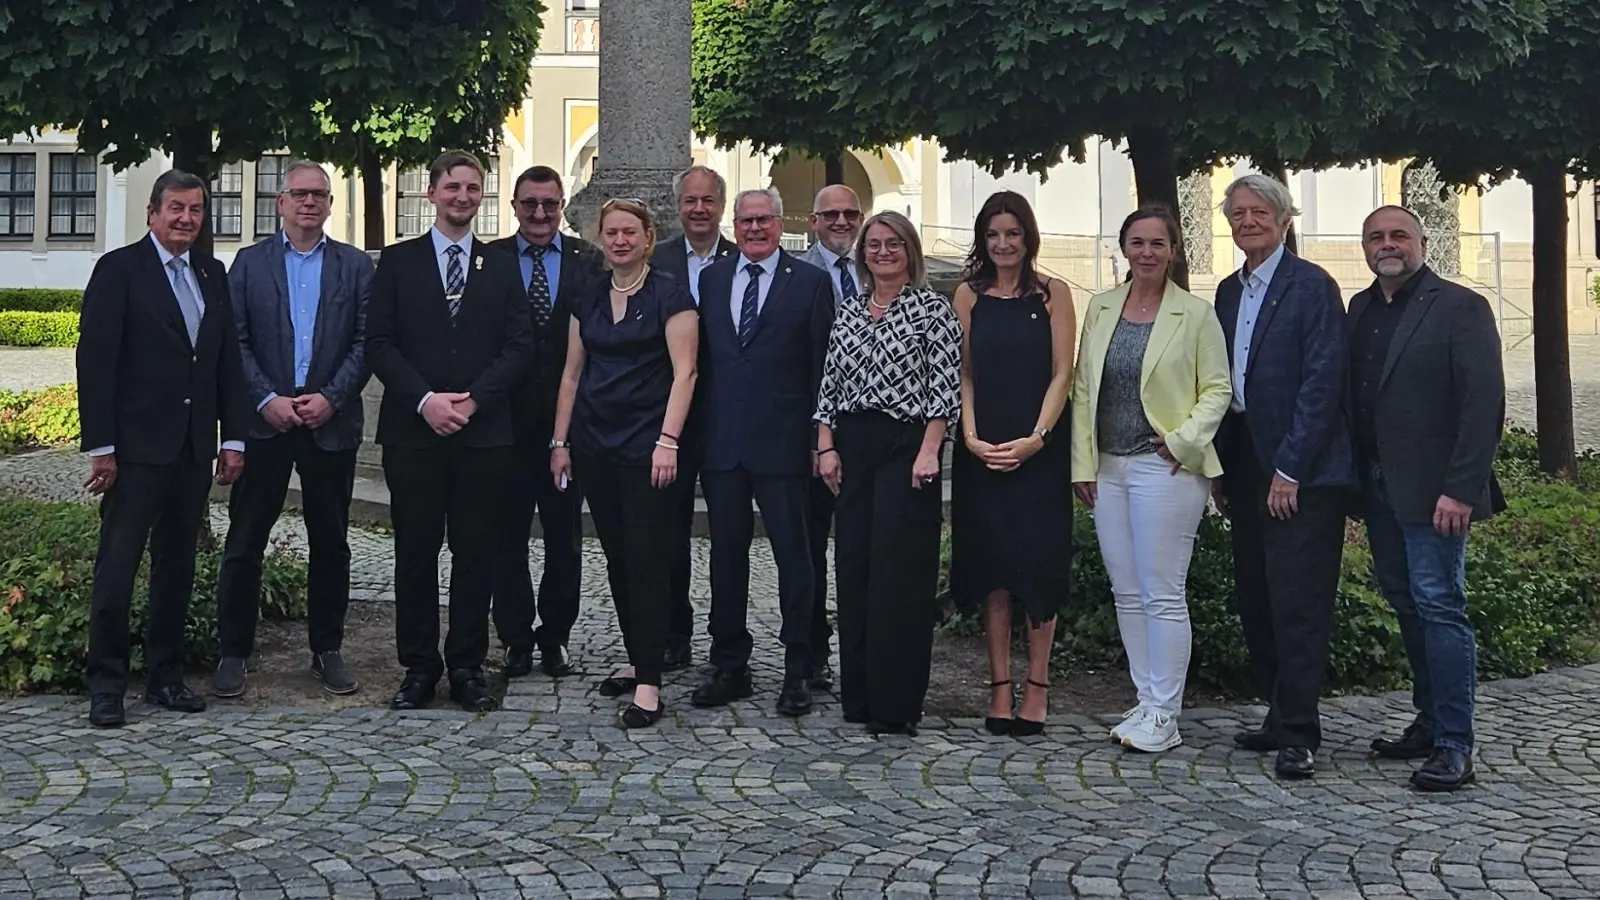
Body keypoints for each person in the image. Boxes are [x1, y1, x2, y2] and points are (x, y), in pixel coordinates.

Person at [76, 169, 249, 728]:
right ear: (152, 212)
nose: (185, 219)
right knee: (119, 567)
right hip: (135, 449)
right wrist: (102, 448)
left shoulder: (211, 272)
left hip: (194, 447)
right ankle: (106, 683)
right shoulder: (119, 270)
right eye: (175, 208)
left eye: (195, 210)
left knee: (176, 567)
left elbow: (224, 363)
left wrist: (233, 438)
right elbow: (95, 362)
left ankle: (165, 678)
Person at [366, 150, 535, 713]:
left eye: (472, 188)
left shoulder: (503, 264)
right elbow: (380, 344)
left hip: (483, 435)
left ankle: (466, 665)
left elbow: (520, 346)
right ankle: (418, 667)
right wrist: (424, 401)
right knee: (415, 552)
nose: (463, 196)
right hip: (414, 434)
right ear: (432, 193)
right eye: (452, 187)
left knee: (475, 553)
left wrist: (475, 400)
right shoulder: (397, 262)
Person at [1350, 205, 1504, 792]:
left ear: (1421, 242)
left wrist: (1461, 488)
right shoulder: (1360, 309)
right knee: (1406, 603)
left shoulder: (1461, 307)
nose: (1387, 245)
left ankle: (1455, 744)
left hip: (1437, 492)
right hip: (1379, 485)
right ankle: (1428, 717)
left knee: (1440, 606)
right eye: (1376, 237)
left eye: (1398, 235)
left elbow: (1481, 403)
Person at [1070, 205, 1232, 752]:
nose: (1146, 253)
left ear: (1173, 251)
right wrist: (1083, 464)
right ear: (1124, 248)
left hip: (1165, 467)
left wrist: (1182, 439)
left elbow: (1218, 389)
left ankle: (1165, 711)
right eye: (1137, 243)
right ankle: (1146, 699)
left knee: (1162, 593)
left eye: (1157, 244)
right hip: (1110, 469)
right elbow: (1085, 388)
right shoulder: (1102, 307)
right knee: (1127, 592)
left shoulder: (1195, 314)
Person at [213, 160, 373, 699]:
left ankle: (327, 648)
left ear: (330, 205)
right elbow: (234, 341)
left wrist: (332, 397)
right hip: (267, 425)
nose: (309, 203)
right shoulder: (249, 264)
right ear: (280, 202)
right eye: (299, 194)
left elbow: (365, 341)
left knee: (331, 542)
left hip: (329, 423)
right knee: (245, 541)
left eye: (320, 195)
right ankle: (233, 651)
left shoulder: (354, 267)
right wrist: (264, 399)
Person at [1213, 173, 1354, 779]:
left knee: (1298, 599)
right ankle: (1277, 712)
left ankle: (1301, 730)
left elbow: (1323, 385)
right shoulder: (1226, 290)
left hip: (1300, 466)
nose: (1247, 221)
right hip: (1245, 458)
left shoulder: (1311, 286)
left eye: (1259, 212)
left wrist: (1290, 468)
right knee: (1257, 594)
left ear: (1284, 218)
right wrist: (1220, 465)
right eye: (1238, 213)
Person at [550, 198, 698, 729]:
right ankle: (638, 657)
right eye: (610, 232)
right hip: (594, 444)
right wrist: (560, 441)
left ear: (648, 237)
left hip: (648, 446)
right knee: (615, 557)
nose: (619, 241)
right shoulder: (587, 295)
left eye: (629, 232)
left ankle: (651, 683)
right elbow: (571, 373)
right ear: (601, 239)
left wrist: (668, 441)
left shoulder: (670, 295)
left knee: (647, 559)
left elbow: (686, 374)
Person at [814, 210, 962, 736]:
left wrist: (930, 450)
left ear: (910, 251)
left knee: (899, 576)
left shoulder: (933, 311)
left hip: (907, 448)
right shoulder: (850, 311)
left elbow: (945, 388)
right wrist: (825, 444)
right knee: (853, 568)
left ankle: (896, 702)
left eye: (892, 243)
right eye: (873, 244)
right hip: (853, 448)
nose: (881, 252)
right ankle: (859, 696)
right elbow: (830, 383)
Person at [691, 188, 835, 716]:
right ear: (736, 224)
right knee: (725, 558)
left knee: (794, 558)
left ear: (780, 224)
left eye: (763, 221)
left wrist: (823, 441)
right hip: (725, 444)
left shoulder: (812, 283)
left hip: (784, 445)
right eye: (746, 221)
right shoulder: (713, 278)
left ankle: (800, 664)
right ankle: (730, 662)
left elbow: (823, 369)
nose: (754, 229)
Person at [950, 191, 1074, 738]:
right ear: (983, 240)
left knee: (1038, 567)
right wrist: (971, 436)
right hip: (983, 448)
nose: (1003, 244)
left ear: (1028, 239)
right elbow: (965, 373)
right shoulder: (967, 296)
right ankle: (1000, 687)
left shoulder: (1054, 294)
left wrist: (1037, 438)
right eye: (994, 235)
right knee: (993, 570)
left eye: (1013, 234)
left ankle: (1039, 686)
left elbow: (1061, 374)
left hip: (1038, 450)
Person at [487, 166, 601, 680]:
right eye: (530, 204)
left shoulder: (589, 262)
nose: (539, 214)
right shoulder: (490, 261)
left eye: (549, 205)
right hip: (504, 425)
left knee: (563, 537)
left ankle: (554, 636)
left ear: (563, 207)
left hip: (568, 428)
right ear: (514, 205)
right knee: (504, 536)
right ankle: (514, 637)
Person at [649, 165, 736, 671]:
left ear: (720, 206)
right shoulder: (655, 260)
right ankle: (672, 633)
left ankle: (726, 640)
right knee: (668, 533)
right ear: (677, 205)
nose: (699, 209)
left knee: (727, 535)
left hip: (726, 417)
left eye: (708, 201)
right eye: (690, 201)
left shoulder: (744, 256)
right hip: (669, 418)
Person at [795, 183, 866, 691]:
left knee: (866, 546)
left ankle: (866, 652)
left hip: (869, 431)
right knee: (812, 546)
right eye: (832, 214)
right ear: (814, 222)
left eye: (851, 213)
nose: (842, 222)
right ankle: (814, 651)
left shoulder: (880, 268)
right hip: (813, 433)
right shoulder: (796, 276)